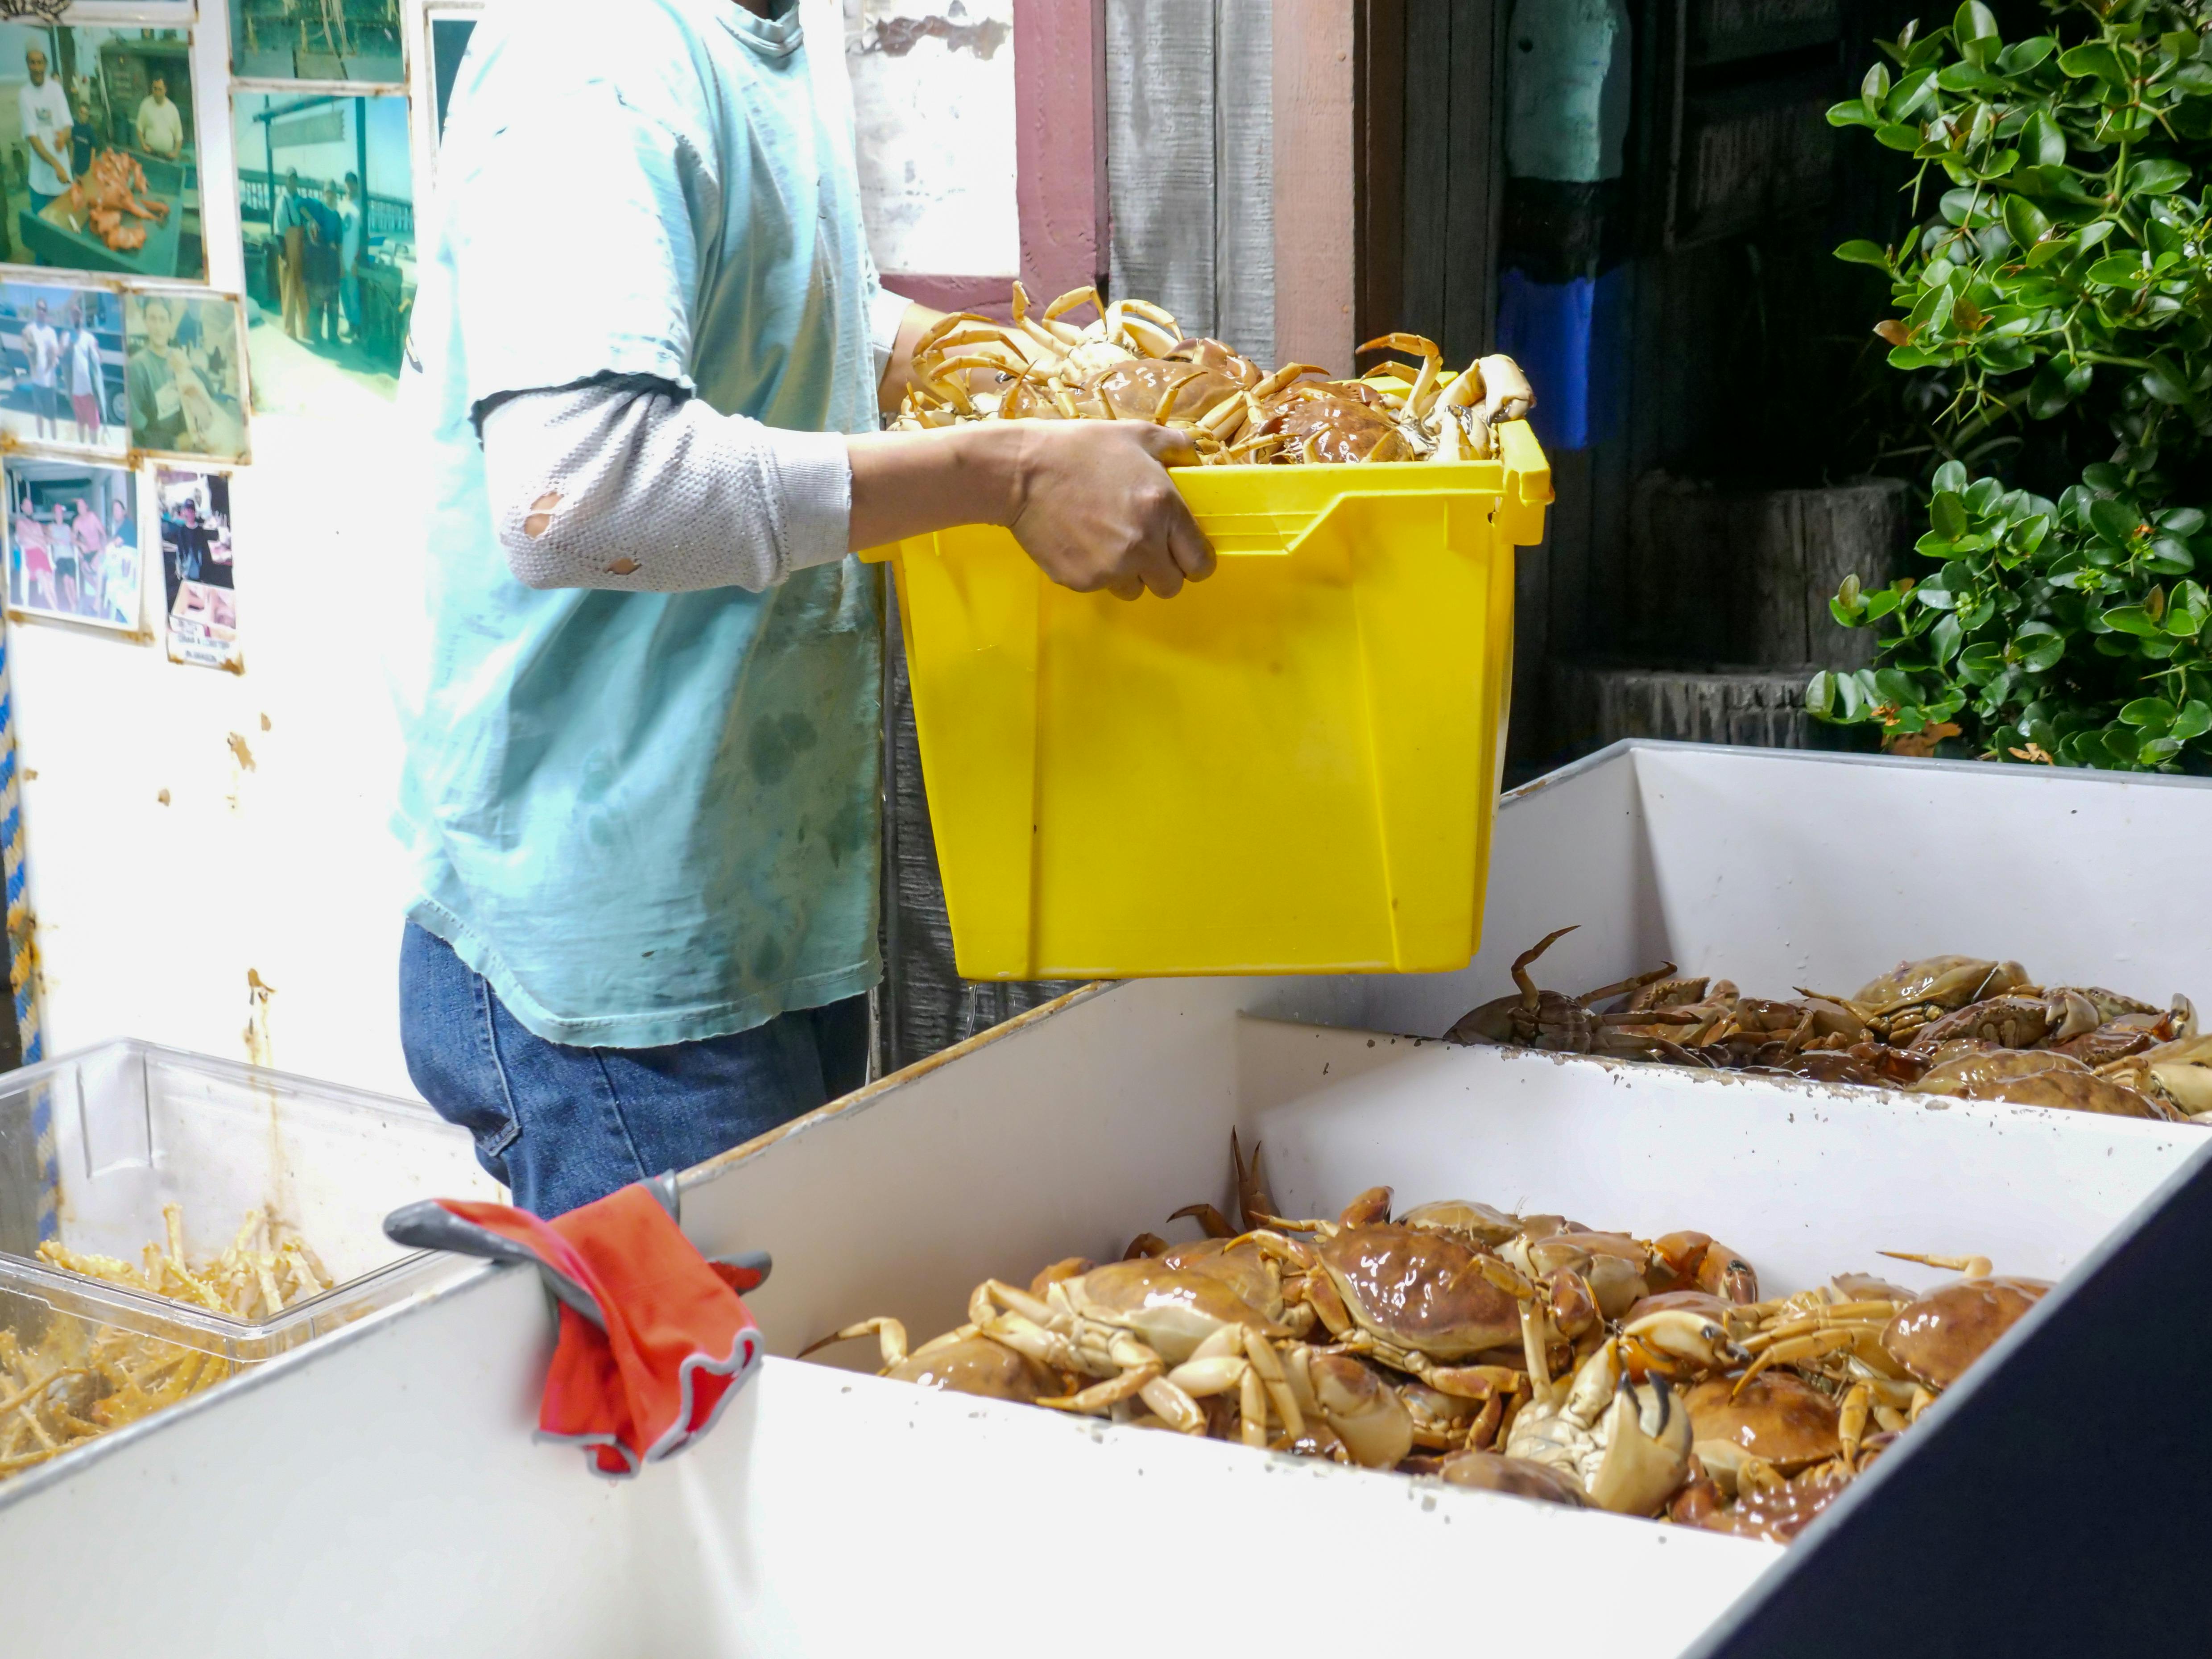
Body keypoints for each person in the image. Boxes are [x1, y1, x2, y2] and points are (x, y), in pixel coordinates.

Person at [397, 0, 1214, 1220]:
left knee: (789, 1376)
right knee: (721, 1408)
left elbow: (747, 287)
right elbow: (575, 489)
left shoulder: (753, 32)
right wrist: (1004, 473)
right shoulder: (598, 61)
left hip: (744, 905)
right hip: (618, 966)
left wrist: (944, 353)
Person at [125, 294, 188, 451]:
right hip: (161, 451)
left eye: (163, 320)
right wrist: (174, 444)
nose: (158, 327)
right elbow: (138, 431)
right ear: (145, 322)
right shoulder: (137, 366)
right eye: (152, 319)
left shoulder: (179, 358)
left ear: (170, 324)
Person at [17, 47, 73, 215]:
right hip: (40, 183)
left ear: (46, 65)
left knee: (64, 230)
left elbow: (68, 126)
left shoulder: (56, 90)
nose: (37, 68)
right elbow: (33, 139)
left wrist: (63, 137)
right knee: (43, 234)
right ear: (28, 65)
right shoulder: (25, 95)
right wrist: (56, 164)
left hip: (62, 181)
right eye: (32, 63)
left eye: (40, 63)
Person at [273, 170, 307, 340]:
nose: (293, 183)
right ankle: (289, 332)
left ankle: (306, 330)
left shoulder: (299, 201)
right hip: (288, 249)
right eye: (290, 180)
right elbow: (279, 232)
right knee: (288, 292)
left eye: (295, 180)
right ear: (286, 182)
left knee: (303, 291)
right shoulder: (282, 201)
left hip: (300, 249)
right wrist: (284, 254)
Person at [21, 299, 61, 441]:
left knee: (52, 417)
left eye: (44, 309)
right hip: (36, 380)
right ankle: (41, 440)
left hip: (49, 382)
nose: (41, 311)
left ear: (46, 312)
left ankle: (54, 442)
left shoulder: (51, 332)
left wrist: (55, 353)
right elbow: (26, 349)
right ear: (35, 309)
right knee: (38, 415)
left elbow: (56, 351)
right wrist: (25, 341)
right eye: (39, 308)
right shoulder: (30, 329)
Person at [64, 303, 103, 443]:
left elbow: (100, 361)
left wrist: (97, 351)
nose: (76, 318)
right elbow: (61, 355)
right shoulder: (68, 338)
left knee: (94, 426)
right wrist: (67, 346)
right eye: (74, 315)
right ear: (70, 318)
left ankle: (94, 451)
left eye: (78, 314)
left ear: (82, 317)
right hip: (75, 392)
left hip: (90, 391)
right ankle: (82, 449)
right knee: (80, 424)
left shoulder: (90, 338)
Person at [337, 172, 365, 345]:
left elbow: (363, 237)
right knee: (344, 295)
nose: (349, 187)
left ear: (357, 185)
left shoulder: (361, 206)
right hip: (341, 260)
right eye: (347, 183)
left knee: (354, 295)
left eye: (352, 183)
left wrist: (357, 258)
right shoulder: (341, 205)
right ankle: (350, 326)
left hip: (353, 260)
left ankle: (358, 331)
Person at [134, 73, 184, 160]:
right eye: (155, 89)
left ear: (165, 90)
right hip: (150, 154)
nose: (157, 93)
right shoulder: (146, 105)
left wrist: (175, 153)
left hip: (167, 157)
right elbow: (139, 127)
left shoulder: (172, 109)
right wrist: (143, 145)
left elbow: (179, 136)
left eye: (160, 89)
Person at [70, 496, 103, 617]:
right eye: (79, 506)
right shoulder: (77, 522)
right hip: (88, 552)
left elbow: (103, 533)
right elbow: (72, 539)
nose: (81, 508)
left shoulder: (92, 517)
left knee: (94, 568)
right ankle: (99, 591)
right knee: (84, 569)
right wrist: (81, 544)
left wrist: (102, 549)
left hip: (98, 550)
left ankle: (98, 600)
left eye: (83, 505)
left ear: (86, 507)